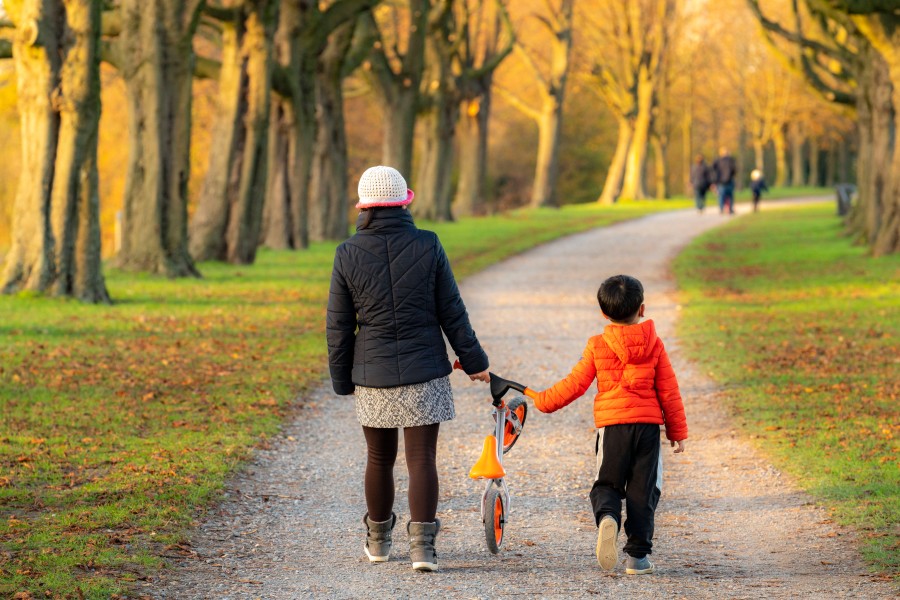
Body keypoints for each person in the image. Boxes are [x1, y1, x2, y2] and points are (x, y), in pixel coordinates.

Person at [326, 165, 491, 572]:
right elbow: (452, 311)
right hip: (425, 370)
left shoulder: (347, 252)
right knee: (422, 459)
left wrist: (341, 378)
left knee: (378, 458)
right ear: (405, 201)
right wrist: (475, 362)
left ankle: (379, 542)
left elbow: (339, 324)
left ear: (363, 206)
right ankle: (423, 549)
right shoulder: (428, 244)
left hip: (373, 373)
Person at [523, 274, 688, 575]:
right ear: (642, 308)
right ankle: (637, 558)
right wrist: (677, 431)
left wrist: (544, 400)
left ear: (603, 313)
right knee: (643, 491)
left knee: (607, 483)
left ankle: (608, 516)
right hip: (647, 429)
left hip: (612, 429)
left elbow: (575, 383)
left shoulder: (598, 345)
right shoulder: (655, 344)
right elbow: (668, 389)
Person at [712, 146, 738, 215]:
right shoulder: (731, 160)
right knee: (730, 195)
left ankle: (721, 209)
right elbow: (734, 170)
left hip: (721, 181)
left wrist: (715, 181)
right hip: (729, 180)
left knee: (721, 196)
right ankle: (730, 209)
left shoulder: (717, 160)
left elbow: (714, 170)